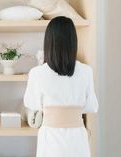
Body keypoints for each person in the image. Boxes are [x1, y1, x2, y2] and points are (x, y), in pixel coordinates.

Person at [24, 16, 98, 157]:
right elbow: (92, 106)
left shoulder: (37, 73)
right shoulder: (86, 71)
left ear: (48, 42)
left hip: (50, 138)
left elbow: (31, 103)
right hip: (77, 139)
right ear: (73, 42)